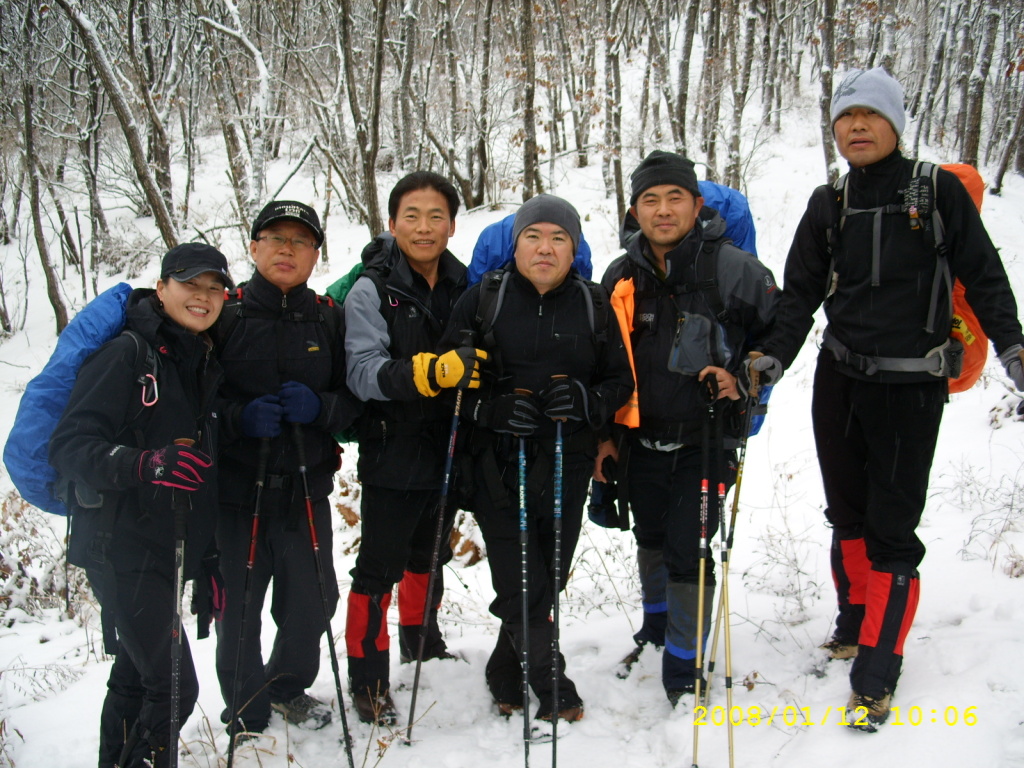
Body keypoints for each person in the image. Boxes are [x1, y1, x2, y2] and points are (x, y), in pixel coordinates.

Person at [748, 67, 1024, 730]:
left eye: (871, 116)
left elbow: (985, 277)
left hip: (910, 385)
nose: (857, 127)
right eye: (846, 118)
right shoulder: (830, 202)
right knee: (846, 511)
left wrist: (1014, 350)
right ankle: (851, 624)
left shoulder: (936, 194)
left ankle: (876, 668)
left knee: (892, 530)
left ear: (895, 124)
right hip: (839, 378)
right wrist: (771, 358)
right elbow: (799, 295)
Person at [444, 194, 634, 722]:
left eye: (558, 238)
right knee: (518, 577)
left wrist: (587, 402)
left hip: (567, 463)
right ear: (516, 243)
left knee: (548, 576)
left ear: (574, 248)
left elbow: (619, 381)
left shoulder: (595, 304)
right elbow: (446, 380)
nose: (545, 248)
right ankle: (552, 684)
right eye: (533, 236)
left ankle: (506, 669)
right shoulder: (483, 298)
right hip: (497, 464)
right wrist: (491, 408)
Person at [598, 150, 779, 705]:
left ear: (696, 204)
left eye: (675, 197)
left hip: (704, 441)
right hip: (638, 437)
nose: (663, 210)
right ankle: (656, 630)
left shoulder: (734, 269)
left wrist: (747, 379)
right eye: (650, 200)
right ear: (634, 211)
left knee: (689, 549)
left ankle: (682, 667)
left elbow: (779, 335)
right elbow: (602, 357)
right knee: (649, 537)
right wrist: (605, 435)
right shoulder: (620, 274)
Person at [49, 243, 232, 767]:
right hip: (120, 546)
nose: (202, 298)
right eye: (190, 286)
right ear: (163, 286)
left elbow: (201, 472)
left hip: (158, 548)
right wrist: (144, 463)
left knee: (136, 678)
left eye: (213, 289)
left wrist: (210, 558)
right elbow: (69, 446)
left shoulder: (198, 358)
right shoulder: (128, 354)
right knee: (174, 689)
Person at [213, 201, 361, 736]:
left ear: (316, 256)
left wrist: (321, 409)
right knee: (240, 608)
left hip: (304, 488)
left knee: (314, 598)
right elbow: (193, 407)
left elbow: (356, 399)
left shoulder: (328, 317)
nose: (286, 249)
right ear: (253, 247)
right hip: (235, 494)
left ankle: (286, 686)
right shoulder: (223, 316)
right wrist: (237, 418)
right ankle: (245, 705)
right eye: (275, 238)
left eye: (300, 242)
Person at [342, 171, 485, 725]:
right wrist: (429, 373)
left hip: (448, 449)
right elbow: (361, 372)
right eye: (411, 216)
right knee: (378, 569)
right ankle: (368, 676)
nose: (423, 228)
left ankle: (421, 642)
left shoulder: (465, 285)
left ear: (451, 223)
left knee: (429, 555)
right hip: (392, 450)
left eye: (435, 217)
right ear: (393, 222)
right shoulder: (371, 289)